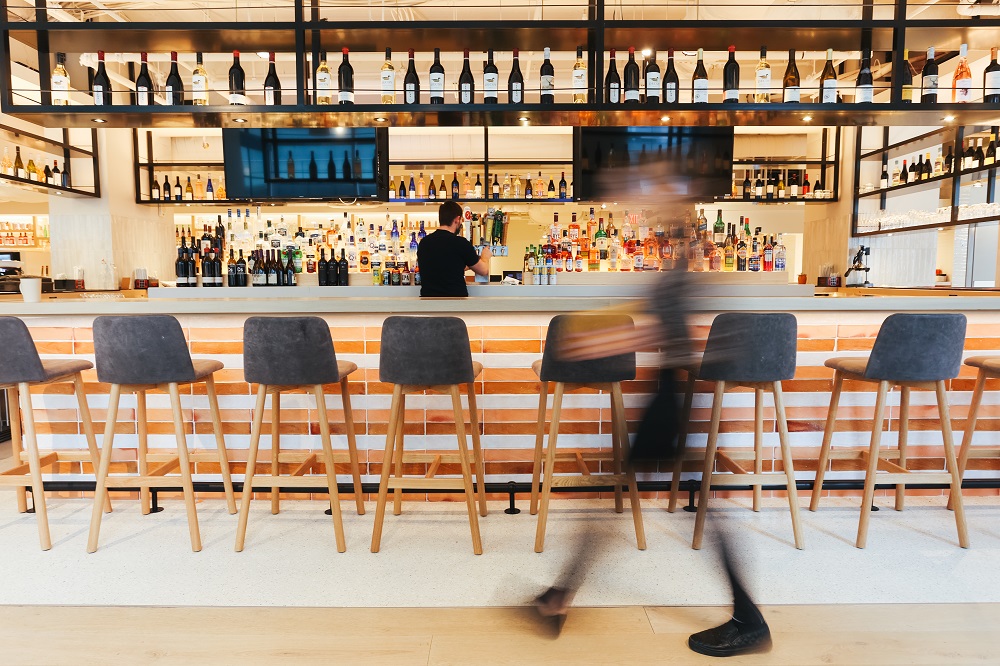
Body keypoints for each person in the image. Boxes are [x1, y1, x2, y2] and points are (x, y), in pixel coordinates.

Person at [532, 233, 772, 659]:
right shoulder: (678, 259)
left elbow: (673, 336)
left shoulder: (680, 262)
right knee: (647, 496)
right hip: (668, 393)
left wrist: (600, 342)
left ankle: (750, 621)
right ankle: (558, 597)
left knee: (673, 501)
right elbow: (671, 328)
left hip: (670, 396)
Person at [416, 201, 491, 297]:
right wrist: (485, 257)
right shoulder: (461, 243)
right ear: (457, 219)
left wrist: (466, 266)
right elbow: (483, 271)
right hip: (456, 302)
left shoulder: (424, 243)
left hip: (428, 302)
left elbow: (445, 267)